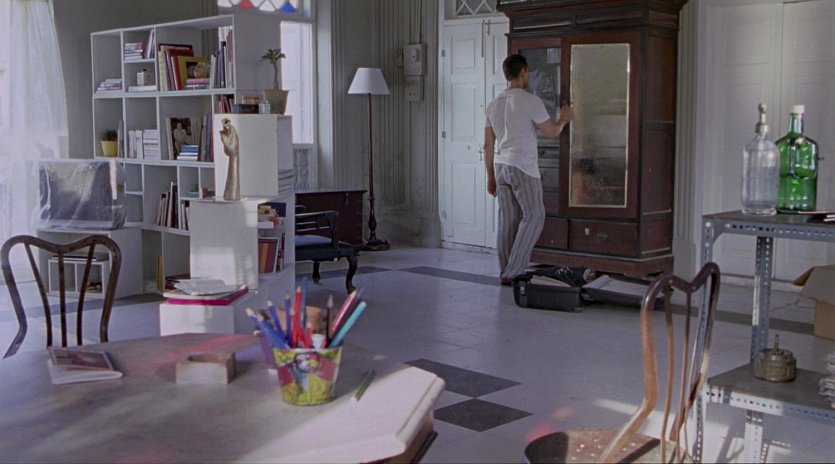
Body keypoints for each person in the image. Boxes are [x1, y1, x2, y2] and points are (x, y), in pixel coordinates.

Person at [484, 54, 572, 285]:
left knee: (508, 220)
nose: (529, 76)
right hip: (522, 166)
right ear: (523, 71)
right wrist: (563, 120)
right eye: (528, 72)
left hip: (501, 166)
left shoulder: (493, 104)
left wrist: (490, 176)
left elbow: (488, 145)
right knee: (535, 215)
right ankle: (513, 270)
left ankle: (505, 270)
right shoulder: (531, 101)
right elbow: (551, 133)